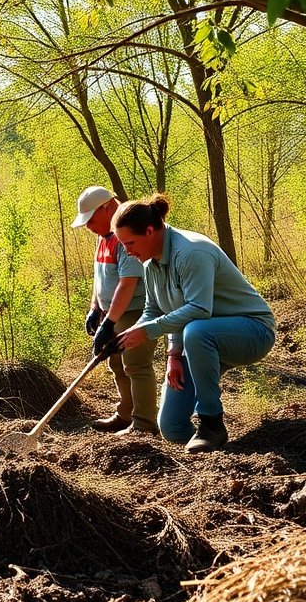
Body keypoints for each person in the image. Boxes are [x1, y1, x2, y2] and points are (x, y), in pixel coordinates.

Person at [112, 195, 275, 452]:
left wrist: (150, 330)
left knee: (197, 331)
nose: (127, 251)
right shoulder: (150, 264)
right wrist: (161, 348)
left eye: (129, 243)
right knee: (171, 426)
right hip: (202, 339)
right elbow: (155, 309)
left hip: (252, 331)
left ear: (150, 231)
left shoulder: (191, 251)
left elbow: (199, 309)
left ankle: (211, 424)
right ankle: (216, 451)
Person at [72, 186, 159, 435]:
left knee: (135, 364)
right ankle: (125, 415)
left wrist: (109, 322)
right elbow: (100, 277)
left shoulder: (127, 236)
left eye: (91, 220)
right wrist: (95, 308)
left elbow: (127, 283)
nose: (88, 227)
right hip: (113, 312)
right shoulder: (103, 237)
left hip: (135, 310)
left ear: (107, 208)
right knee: (117, 364)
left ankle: (144, 424)